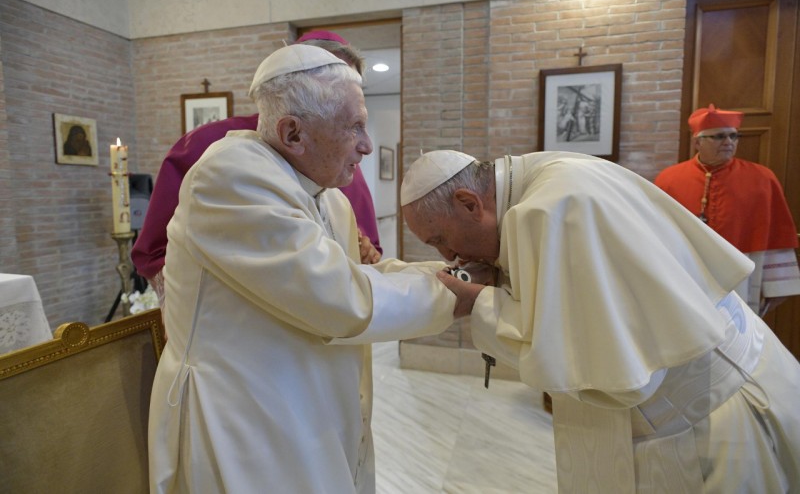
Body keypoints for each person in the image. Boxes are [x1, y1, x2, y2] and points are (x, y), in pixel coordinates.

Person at [148, 45, 458, 493]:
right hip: (242, 417)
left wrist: (448, 273)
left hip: (303, 403)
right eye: (355, 127)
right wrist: (455, 295)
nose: (367, 145)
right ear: (293, 133)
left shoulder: (326, 192)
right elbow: (340, 298)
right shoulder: (230, 177)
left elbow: (355, 273)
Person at [400, 149, 800, 493]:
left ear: (470, 203)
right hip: (741, 374)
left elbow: (612, 375)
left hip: (710, 425)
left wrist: (481, 304)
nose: (449, 256)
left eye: (439, 239)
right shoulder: (545, 173)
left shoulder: (547, 209)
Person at [131, 30, 382, 304]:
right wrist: (179, 309)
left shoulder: (343, 165)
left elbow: (364, 258)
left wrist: (363, 255)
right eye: (331, 80)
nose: (365, 146)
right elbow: (155, 252)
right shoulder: (210, 151)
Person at [655, 104, 800, 315]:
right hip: (686, 270)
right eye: (719, 136)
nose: (728, 142)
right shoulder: (669, 179)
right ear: (697, 142)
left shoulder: (762, 178)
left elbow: (777, 232)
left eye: (734, 136)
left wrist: (776, 284)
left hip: (741, 271)